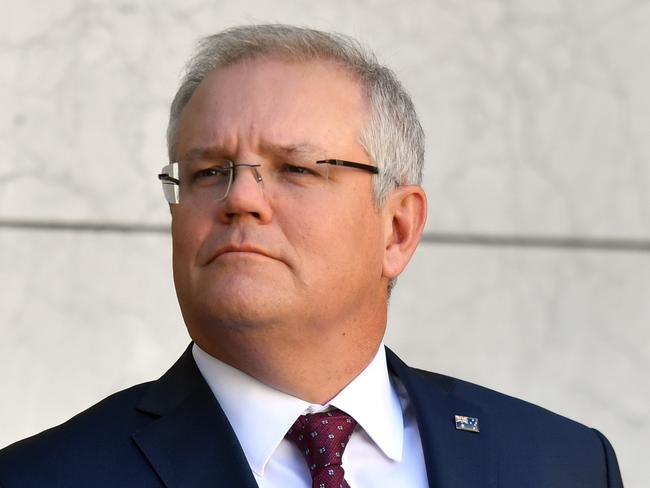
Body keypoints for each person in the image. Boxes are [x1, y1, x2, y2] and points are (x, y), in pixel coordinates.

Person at [0, 24, 623, 488]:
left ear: (397, 229)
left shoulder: (560, 463)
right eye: (209, 170)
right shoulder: (44, 476)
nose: (240, 197)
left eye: (295, 169)